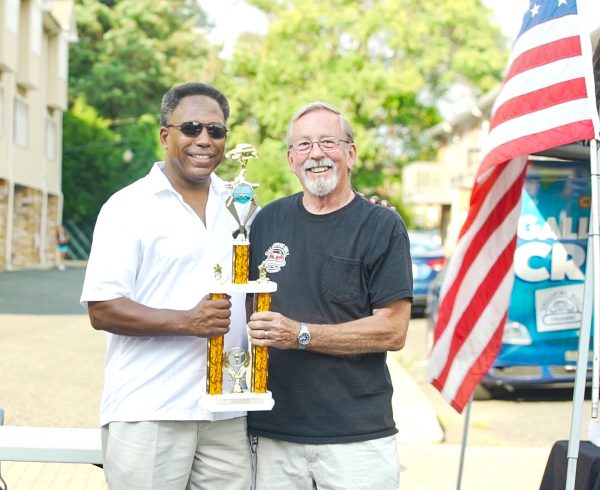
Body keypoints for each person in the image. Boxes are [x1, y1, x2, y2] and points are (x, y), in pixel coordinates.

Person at [80, 82, 253, 489]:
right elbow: (102, 308)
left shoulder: (242, 205)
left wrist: (355, 214)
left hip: (227, 411)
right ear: (164, 135)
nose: (204, 140)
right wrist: (188, 321)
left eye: (215, 130)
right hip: (151, 409)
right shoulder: (128, 206)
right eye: (191, 128)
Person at [246, 102, 413, 489]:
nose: (316, 153)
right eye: (303, 144)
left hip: (357, 438)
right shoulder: (266, 221)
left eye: (328, 142)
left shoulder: (381, 225)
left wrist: (301, 334)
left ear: (350, 153)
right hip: (273, 434)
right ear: (290, 159)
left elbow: (393, 329)